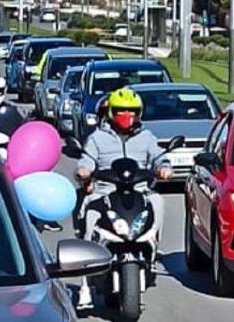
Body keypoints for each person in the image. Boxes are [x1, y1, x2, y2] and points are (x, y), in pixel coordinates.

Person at [73, 88, 172, 309]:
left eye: (131, 111)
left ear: (139, 113)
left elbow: (159, 157)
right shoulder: (97, 138)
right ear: (111, 112)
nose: (126, 115)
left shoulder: (146, 137)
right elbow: (87, 159)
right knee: (90, 218)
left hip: (139, 190)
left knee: (158, 201)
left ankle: (152, 248)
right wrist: (84, 171)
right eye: (121, 110)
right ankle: (85, 287)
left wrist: (164, 168)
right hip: (105, 190)